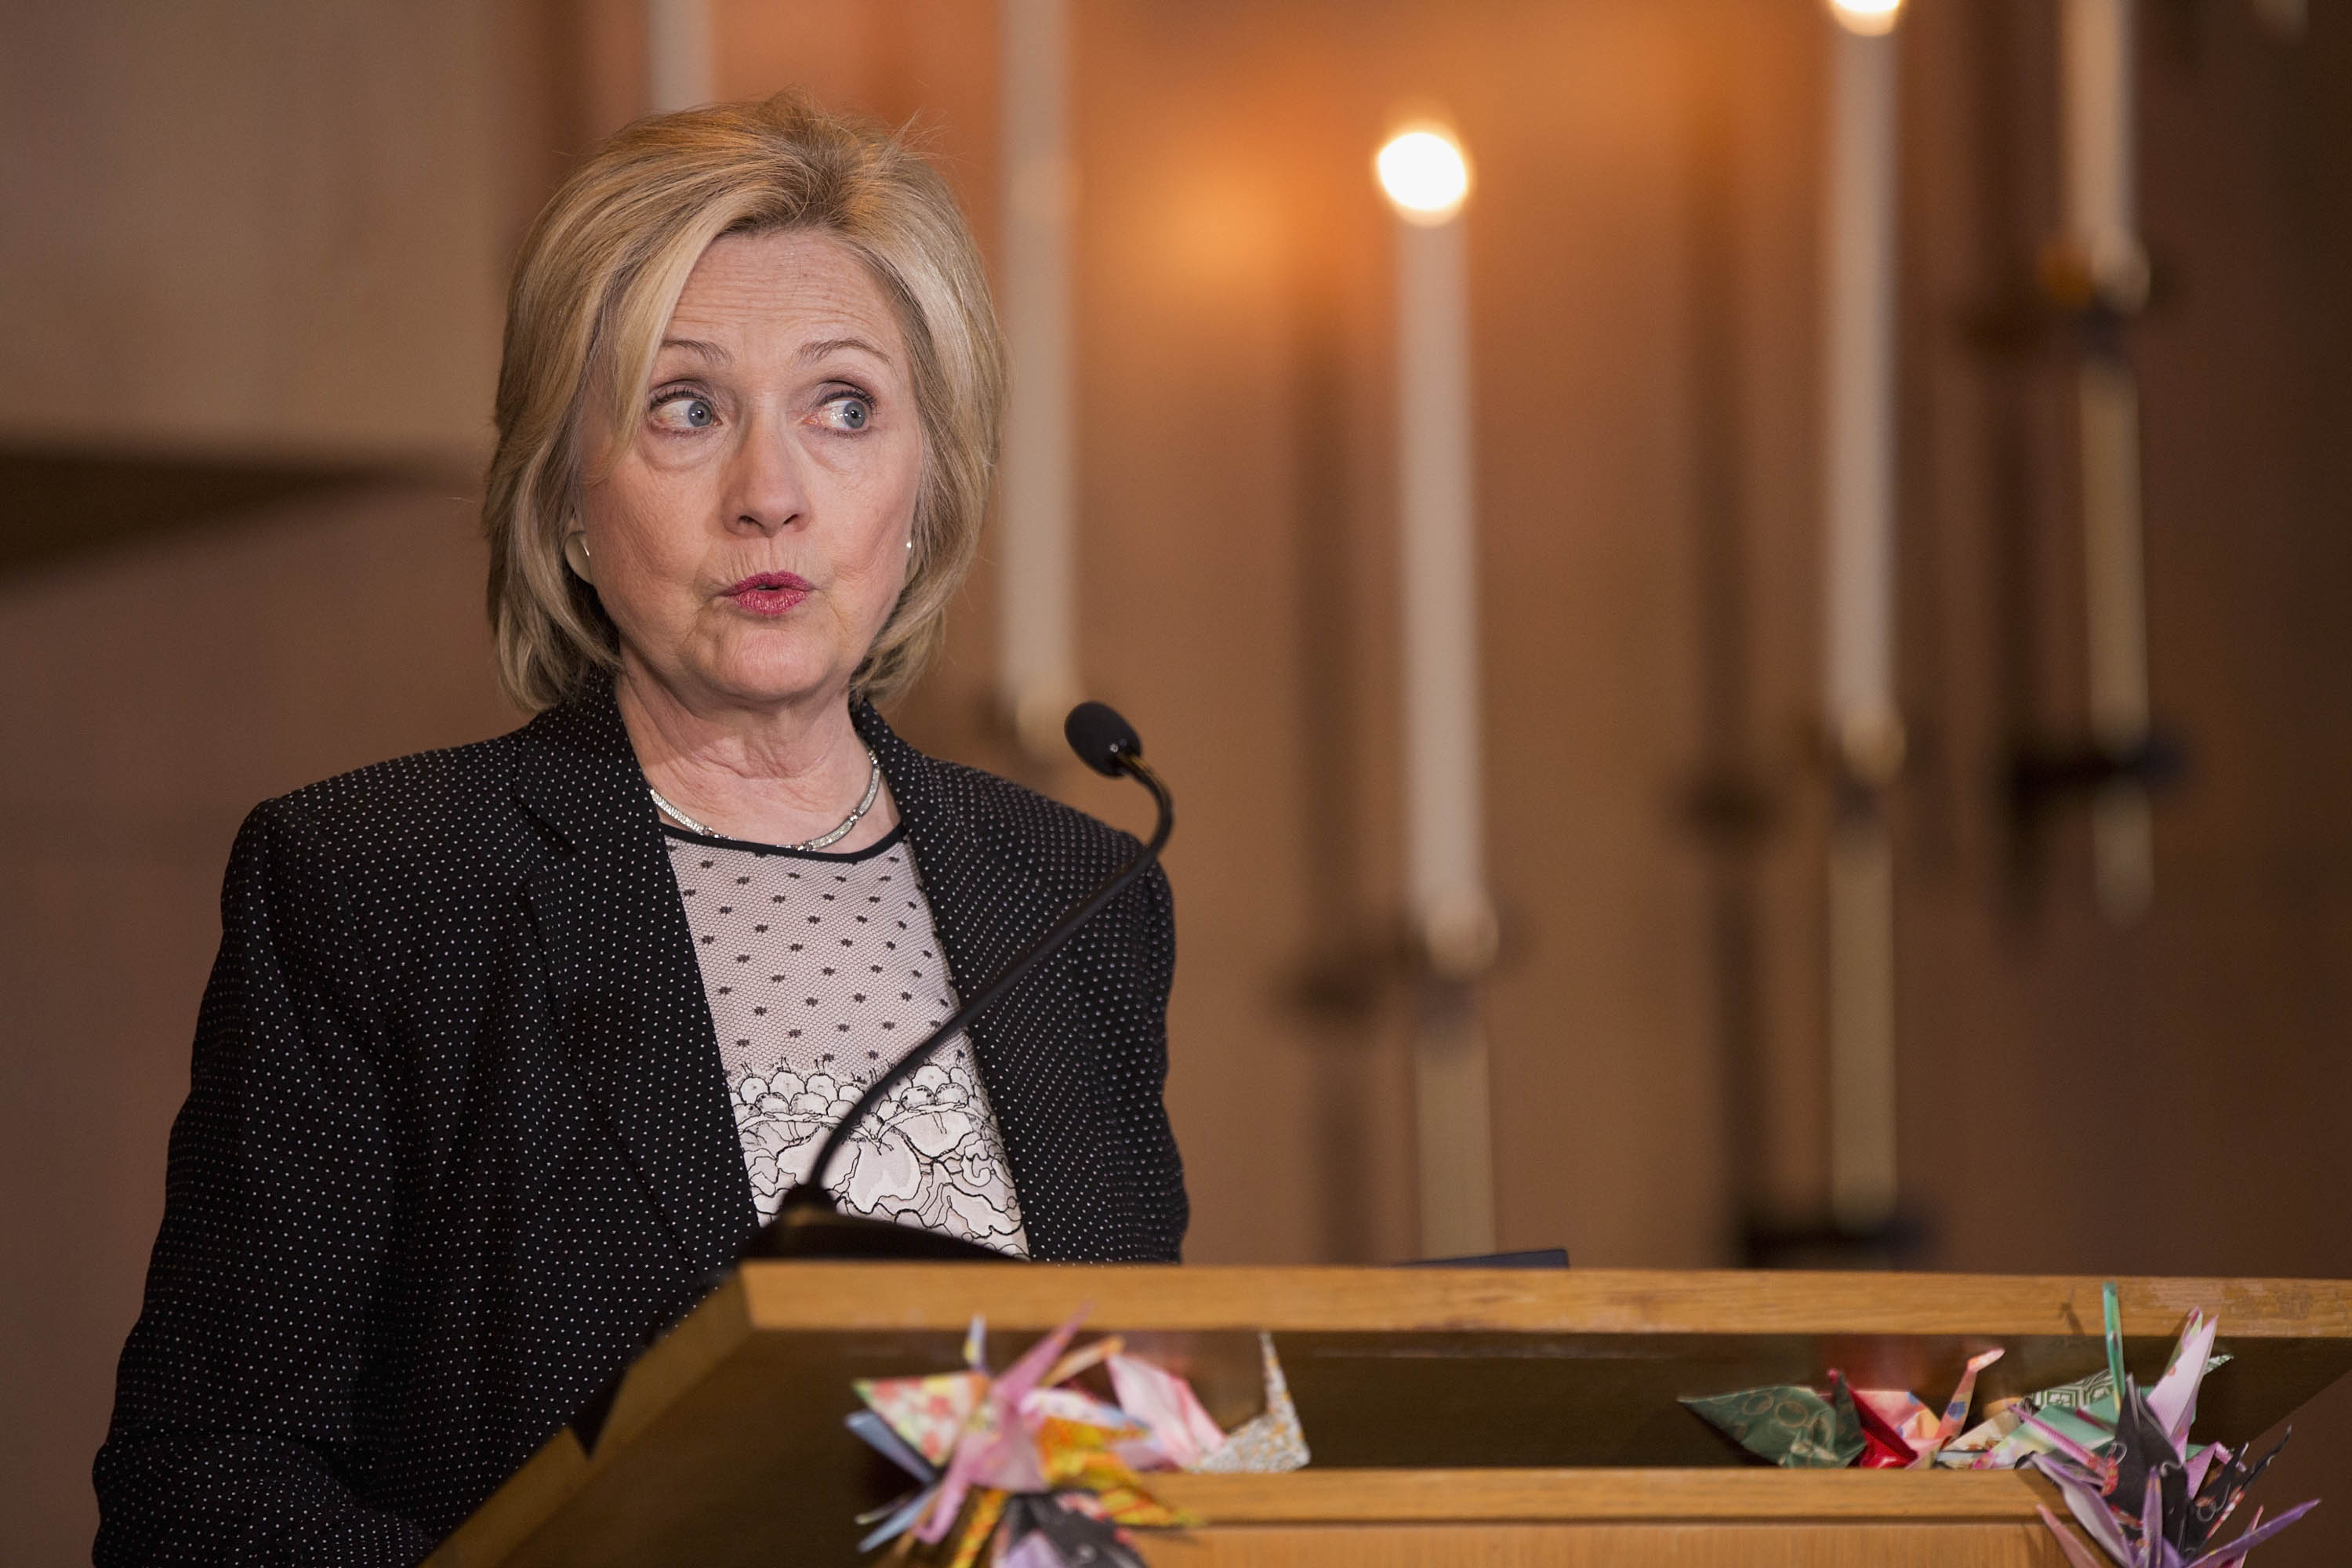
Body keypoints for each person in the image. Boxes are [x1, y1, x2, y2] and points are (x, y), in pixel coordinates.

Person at [93, 93, 1186, 1566]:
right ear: (564, 505)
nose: (772, 496)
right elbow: (209, 1494)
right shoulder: (386, 883)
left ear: (926, 488)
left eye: (844, 406)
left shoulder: (1078, 897)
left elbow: (1113, 1451)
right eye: (687, 408)